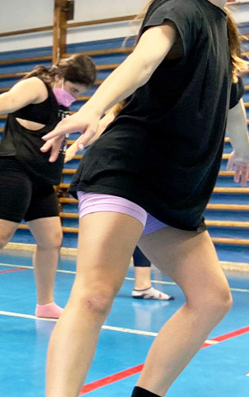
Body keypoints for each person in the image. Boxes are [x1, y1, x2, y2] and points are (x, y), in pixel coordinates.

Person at [31, 0, 249, 397]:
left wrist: (243, 148)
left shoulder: (220, 27)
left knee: (211, 298)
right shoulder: (181, 7)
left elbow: (231, 97)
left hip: (176, 186)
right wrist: (91, 109)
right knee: (94, 294)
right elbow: (142, 62)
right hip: (129, 168)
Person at [0, 54, 97, 331]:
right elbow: (8, 99)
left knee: (52, 240)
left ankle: (45, 305)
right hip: (13, 169)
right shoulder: (38, 86)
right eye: (74, 91)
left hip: (42, 176)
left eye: (81, 94)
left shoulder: (61, 104)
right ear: (61, 78)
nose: (75, 98)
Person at [65, 103, 174, 302]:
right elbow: (104, 122)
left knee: (142, 228)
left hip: (149, 174)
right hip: (117, 174)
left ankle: (143, 285)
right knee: (94, 285)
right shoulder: (132, 98)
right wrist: (74, 147)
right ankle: (86, 295)